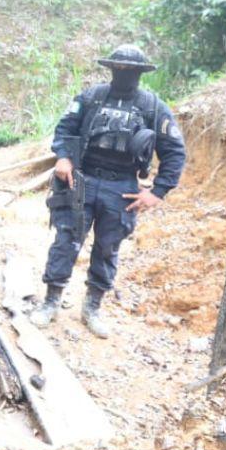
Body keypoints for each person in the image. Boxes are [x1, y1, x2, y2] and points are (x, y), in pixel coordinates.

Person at [30, 44, 186, 338]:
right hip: (81, 180)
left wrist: (158, 191)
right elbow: (65, 129)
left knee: (107, 247)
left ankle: (92, 308)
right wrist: (63, 157)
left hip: (123, 188)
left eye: (131, 70)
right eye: (120, 69)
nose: (124, 74)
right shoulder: (91, 97)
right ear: (111, 68)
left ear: (140, 73)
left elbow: (175, 152)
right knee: (67, 240)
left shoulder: (153, 107)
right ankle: (50, 302)